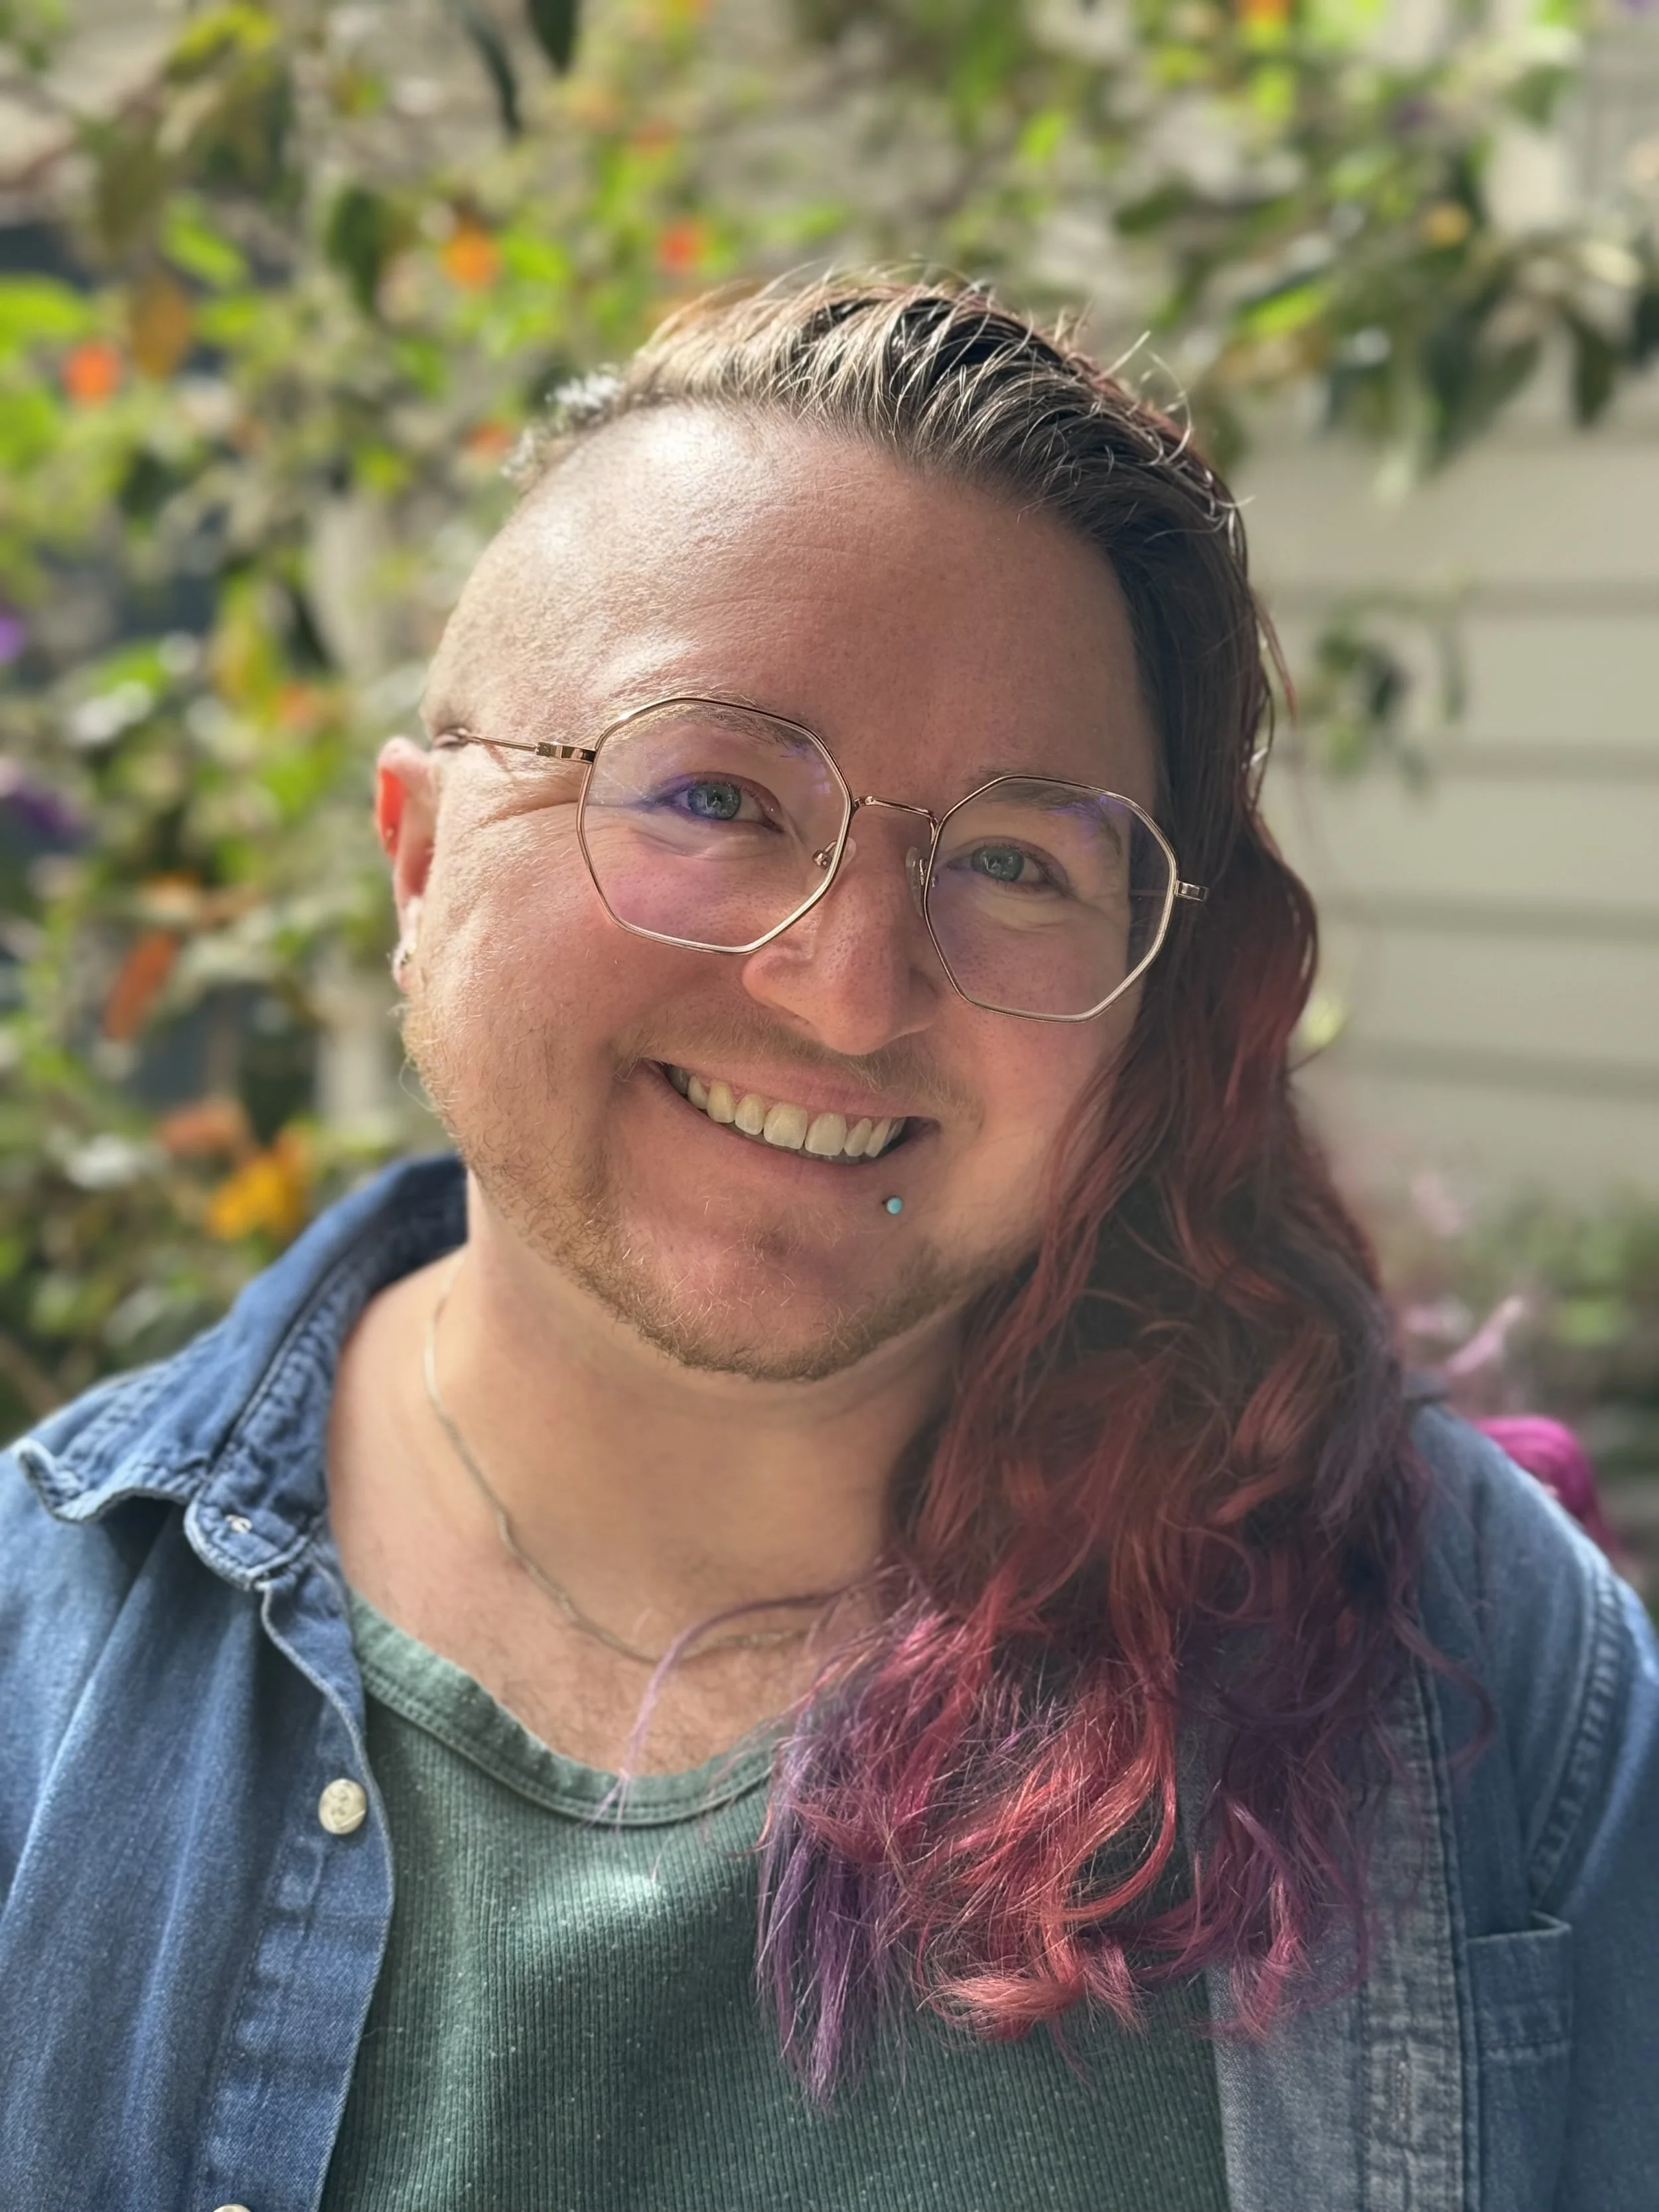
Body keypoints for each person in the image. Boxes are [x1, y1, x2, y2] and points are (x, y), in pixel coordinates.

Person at [3, 278, 1655, 2212]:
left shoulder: (1469, 1675)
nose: (853, 989)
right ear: (422, 856)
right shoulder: (46, 1680)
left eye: (1018, 862)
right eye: (710, 792)